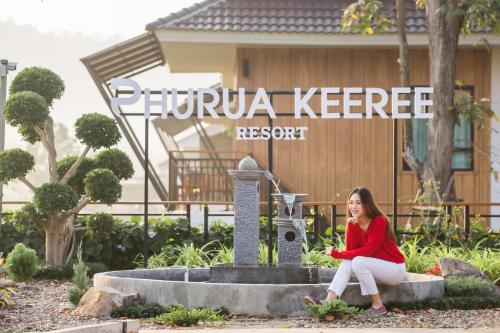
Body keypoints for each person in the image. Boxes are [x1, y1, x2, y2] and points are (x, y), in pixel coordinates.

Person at [304, 187, 406, 315]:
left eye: (358, 203)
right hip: (377, 268)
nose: (353, 206)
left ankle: (378, 305)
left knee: (358, 261)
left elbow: (369, 251)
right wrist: (350, 226)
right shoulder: (354, 223)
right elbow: (351, 252)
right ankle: (328, 302)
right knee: (349, 262)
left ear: (367, 204)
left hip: (394, 269)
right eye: (351, 203)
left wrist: (337, 254)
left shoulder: (380, 221)